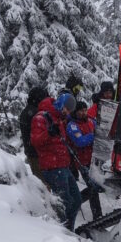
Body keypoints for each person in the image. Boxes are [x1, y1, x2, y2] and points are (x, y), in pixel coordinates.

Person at [31, 92, 82, 231]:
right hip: (52, 167)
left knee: (76, 200)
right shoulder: (41, 117)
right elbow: (35, 141)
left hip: (63, 166)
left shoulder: (59, 119)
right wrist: (48, 133)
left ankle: (68, 228)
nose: (66, 111)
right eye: (66, 107)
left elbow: (60, 142)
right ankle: (63, 231)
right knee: (64, 202)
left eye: (69, 110)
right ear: (60, 103)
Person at [65, 100, 103, 220]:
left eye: (85, 110)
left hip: (94, 159)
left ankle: (96, 215)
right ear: (76, 111)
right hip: (81, 161)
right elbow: (80, 141)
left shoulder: (91, 121)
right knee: (93, 188)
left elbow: (101, 132)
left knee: (96, 188)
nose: (84, 112)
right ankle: (77, 204)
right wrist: (94, 135)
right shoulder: (72, 125)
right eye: (81, 110)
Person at [19, 86, 49, 182]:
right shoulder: (34, 112)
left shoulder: (28, 111)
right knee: (43, 182)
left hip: (33, 152)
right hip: (36, 153)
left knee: (42, 180)